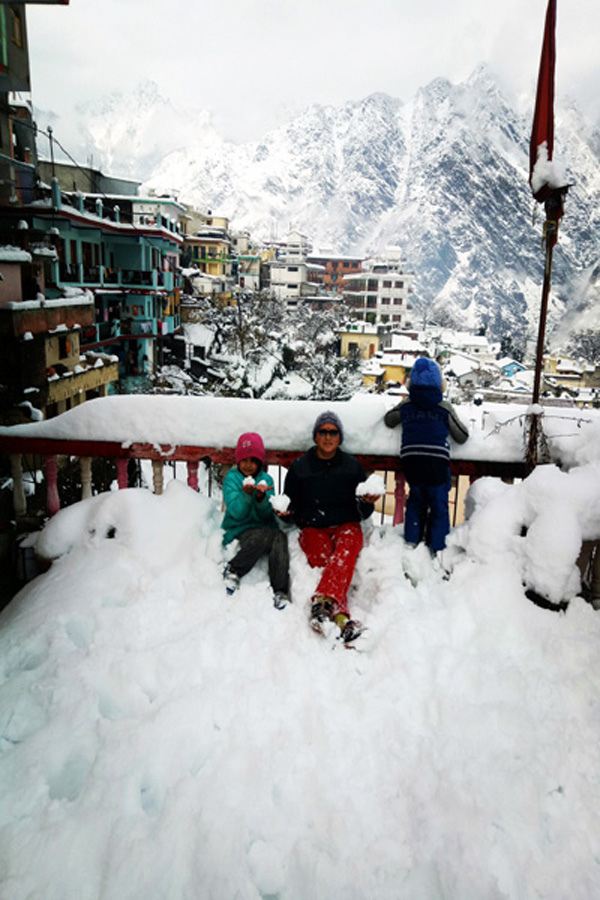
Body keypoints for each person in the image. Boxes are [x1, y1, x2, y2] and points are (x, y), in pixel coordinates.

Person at [278, 411, 380, 643]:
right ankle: (341, 617)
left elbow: (362, 510)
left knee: (346, 548)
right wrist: (285, 514)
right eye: (322, 432)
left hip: (346, 525)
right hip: (313, 529)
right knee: (334, 565)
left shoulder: (352, 466)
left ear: (339, 437)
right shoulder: (300, 467)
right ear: (315, 436)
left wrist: (367, 503)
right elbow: (290, 509)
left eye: (332, 432)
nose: (327, 436)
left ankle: (323, 606)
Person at [384, 356, 469, 556]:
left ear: (410, 383)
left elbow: (389, 420)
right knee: (439, 503)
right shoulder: (443, 407)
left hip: (411, 460)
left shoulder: (406, 405)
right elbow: (462, 436)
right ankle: (438, 547)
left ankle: (412, 540)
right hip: (436, 461)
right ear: (440, 384)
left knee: (415, 499)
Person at [222, 432, 290, 609]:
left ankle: (280, 590)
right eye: (244, 460)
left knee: (279, 537)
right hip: (239, 529)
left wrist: (261, 498)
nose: (248, 465)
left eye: (253, 460)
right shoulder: (231, 478)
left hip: (264, 528)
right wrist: (246, 495)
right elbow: (237, 512)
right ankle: (234, 570)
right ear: (238, 460)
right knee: (264, 535)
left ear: (260, 462)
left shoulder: (266, 480)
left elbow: (267, 515)